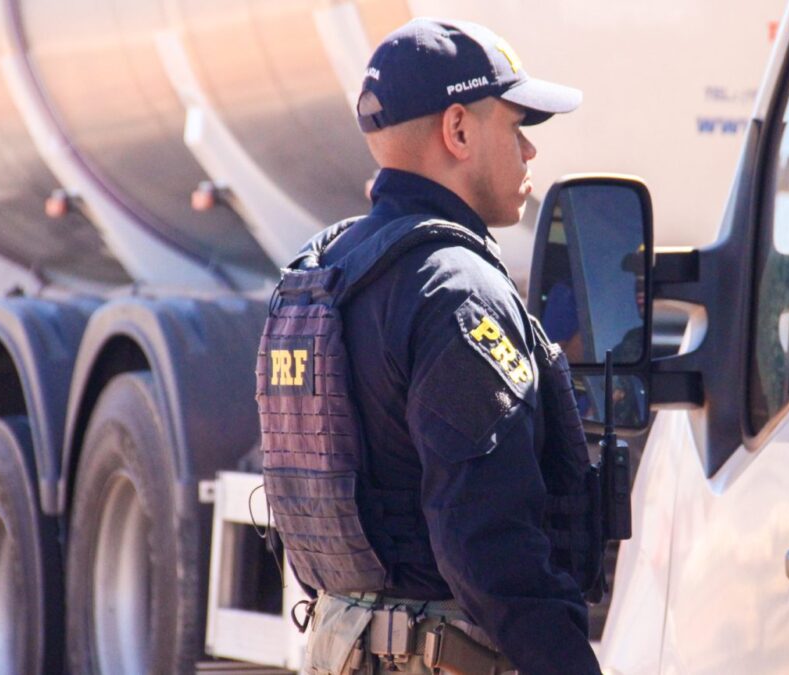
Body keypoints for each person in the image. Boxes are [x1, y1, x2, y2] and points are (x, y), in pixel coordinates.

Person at [259, 18, 601, 675]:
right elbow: (488, 543)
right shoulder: (456, 289)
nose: (529, 151)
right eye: (515, 125)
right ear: (459, 130)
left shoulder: (321, 274)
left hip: (342, 645)